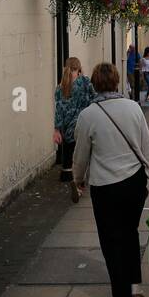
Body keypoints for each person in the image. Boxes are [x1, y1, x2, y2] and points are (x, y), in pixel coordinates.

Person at [73, 63, 149, 297]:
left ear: (94, 84)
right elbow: (146, 145)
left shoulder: (88, 115)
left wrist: (77, 179)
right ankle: (135, 284)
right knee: (129, 232)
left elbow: (80, 155)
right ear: (115, 82)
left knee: (111, 239)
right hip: (134, 182)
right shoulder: (133, 108)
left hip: (105, 187)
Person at [53, 57, 94, 199]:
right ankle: (79, 184)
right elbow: (94, 98)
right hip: (83, 125)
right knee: (83, 157)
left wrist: (57, 130)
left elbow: (58, 111)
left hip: (67, 129)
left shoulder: (60, 87)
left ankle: (74, 182)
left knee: (72, 157)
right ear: (79, 68)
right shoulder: (85, 82)